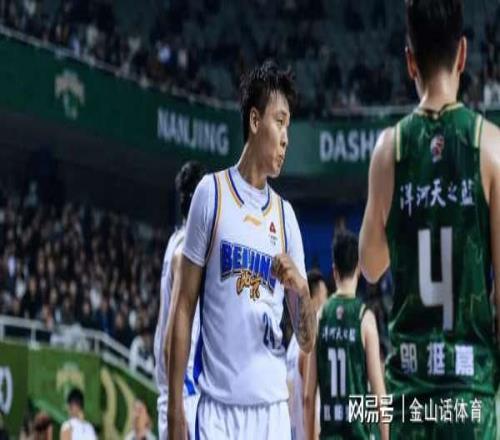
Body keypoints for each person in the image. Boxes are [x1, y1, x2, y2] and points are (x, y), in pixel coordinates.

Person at [359, 0, 500, 437]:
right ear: (463, 53)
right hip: (471, 399)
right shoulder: (490, 146)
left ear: (410, 61)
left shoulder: (390, 149)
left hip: (410, 400)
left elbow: (370, 265)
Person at [168, 60, 317, 440]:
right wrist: (174, 408)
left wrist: (301, 290)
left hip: (271, 412)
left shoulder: (285, 217)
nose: (286, 138)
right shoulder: (211, 194)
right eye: (279, 121)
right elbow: (182, 307)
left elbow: (306, 340)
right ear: (254, 120)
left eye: (289, 126)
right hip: (217, 411)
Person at [305, 231, 388, 439]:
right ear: (358, 269)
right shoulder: (364, 318)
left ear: (334, 271)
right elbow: (379, 396)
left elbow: (308, 397)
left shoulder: (320, 317)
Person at [153, 161, 205, 440]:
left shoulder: (175, 240)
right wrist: (179, 402)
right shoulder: (186, 250)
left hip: (174, 387)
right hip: (183, 388)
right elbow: (171, 337)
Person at [287, 269, 328, 440]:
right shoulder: (309, 343)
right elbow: (309, 399)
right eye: (325, 297)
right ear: (313, 299)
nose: (327, 304)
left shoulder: (293, 343)